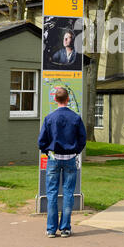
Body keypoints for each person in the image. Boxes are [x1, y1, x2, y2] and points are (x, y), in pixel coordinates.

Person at [38, 87, 86, 237]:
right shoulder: (76, 118)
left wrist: (47, 152)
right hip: (70, 158)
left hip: (53, 158)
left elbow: (41, 142)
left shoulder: (49, 118)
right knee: (68, 193)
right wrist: (75, 151)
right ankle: (65, 228)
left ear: (55, 100)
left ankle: (51, 229)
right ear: (68, 99)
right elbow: (82, 139)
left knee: (51, 193)